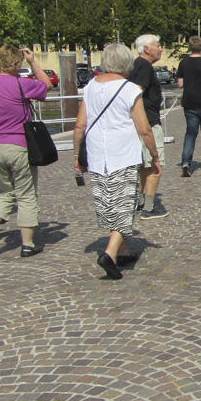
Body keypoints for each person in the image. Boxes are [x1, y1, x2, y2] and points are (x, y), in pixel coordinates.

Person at [73, 44, 161, 280]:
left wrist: (76, 155)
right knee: (126, 203)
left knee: (109, 202)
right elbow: (144, 129)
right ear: (126, 64)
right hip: (123, 153)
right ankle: (110, 254)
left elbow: (80, 124)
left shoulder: (91, 87)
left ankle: (122, 250)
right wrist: (154, 156)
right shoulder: (129, 89)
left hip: (97, 155)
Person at [0, 45, 51, 258]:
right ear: (16, 64)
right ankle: (27, 244)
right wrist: (33, 62)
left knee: (5, 192)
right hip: (18, 145)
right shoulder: (21, 85)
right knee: (26, 194)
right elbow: (47, 84)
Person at [128, 34, 169, 219]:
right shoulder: (144, 66)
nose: (161, 49)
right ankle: (149, 208)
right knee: (155, 164)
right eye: (158, 46)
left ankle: (142, 202)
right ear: (146, 49)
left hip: (141, 121)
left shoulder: (137, 64)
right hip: (149, 122)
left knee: (145, 165)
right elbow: (136, 93)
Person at [176, 36, 201, 176]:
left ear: (190, 48)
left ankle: (186, 162)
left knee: (190, 134)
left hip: (190, 103)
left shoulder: (183, 63)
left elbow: (180, 84)